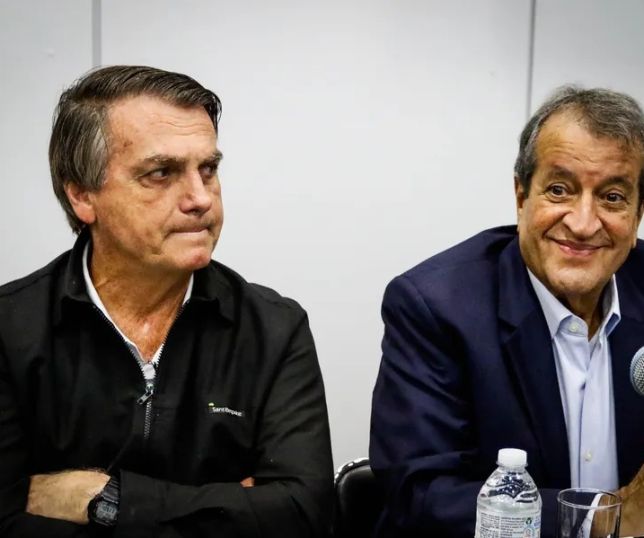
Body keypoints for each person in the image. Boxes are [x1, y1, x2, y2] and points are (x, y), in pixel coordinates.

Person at [0, 65, 333, 537]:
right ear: (82, 196)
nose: (200, 198)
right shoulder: (10, 329)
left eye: (208, 169)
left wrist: (110, 502)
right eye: (161, 173)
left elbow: (303, 514)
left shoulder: (274, 329)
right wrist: (230, 508)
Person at [370, 86, 644, 538]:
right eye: (559, 190)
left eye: (613, 197)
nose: (583, 223)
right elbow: (420, 496)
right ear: (521, 198)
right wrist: (598, 519)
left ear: (636, 217)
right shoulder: (437, 307)